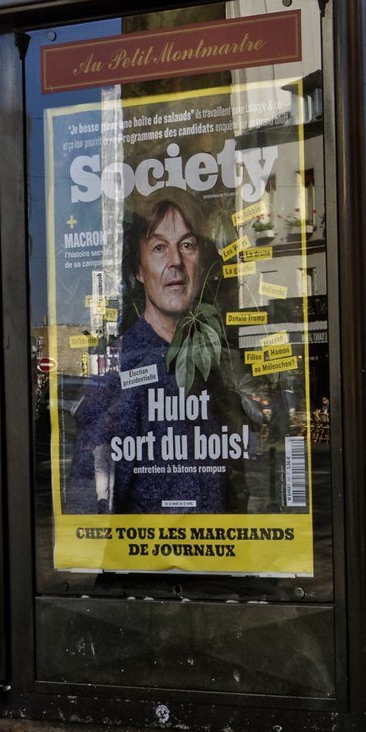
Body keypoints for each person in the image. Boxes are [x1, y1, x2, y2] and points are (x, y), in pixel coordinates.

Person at [66, 187, 242, 515]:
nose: (175, 261)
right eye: (159, 247)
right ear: (138, 268)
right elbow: (89, 505)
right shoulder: (122, 370)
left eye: (187, 245)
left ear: (200, 261)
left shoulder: (212, 357)